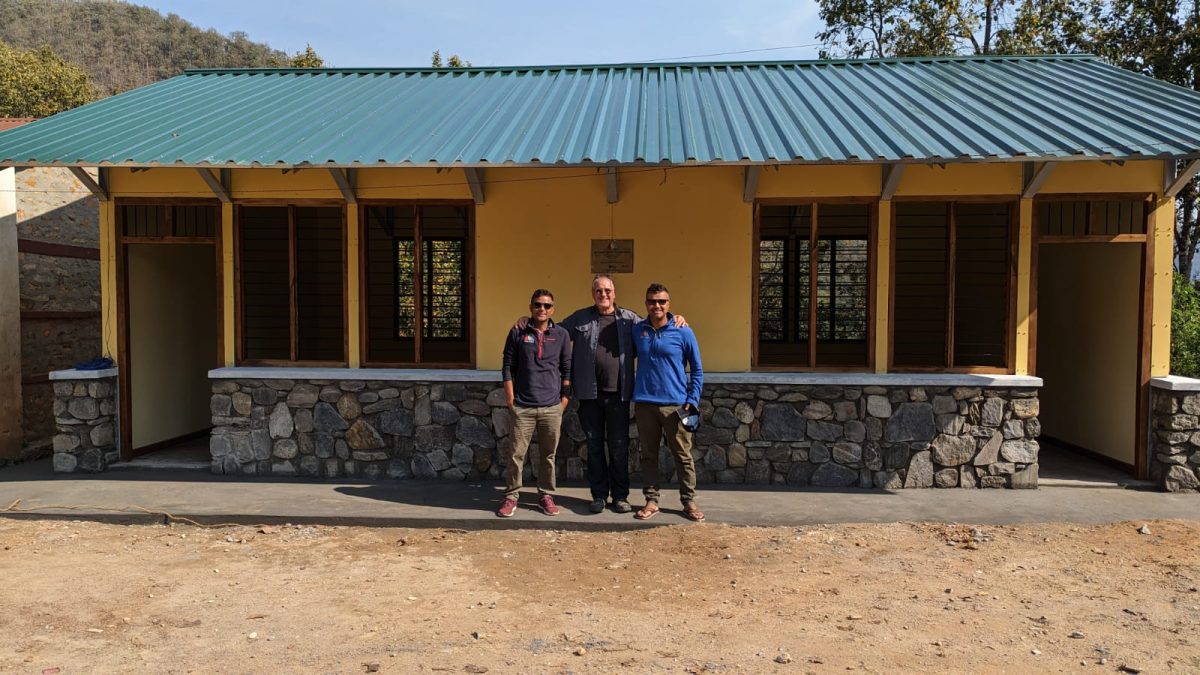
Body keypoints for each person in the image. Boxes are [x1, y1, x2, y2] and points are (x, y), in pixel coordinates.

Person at [557, 275, 687, 514]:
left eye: (607, 290)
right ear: (592, 293)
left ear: (614, 293)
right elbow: (554, 333)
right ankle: (598, 495)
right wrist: (528, 321)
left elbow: (655, 326)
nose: (603, 294)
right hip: (589, 395)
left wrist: (675, 318)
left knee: (619, 447)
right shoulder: (580, 318)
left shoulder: (630, 320)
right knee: (595, 446)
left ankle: (619, 496)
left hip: (619, 395)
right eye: (598, 290)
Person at [631, 283, 705, 522]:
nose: (657, 306)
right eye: (652, 301)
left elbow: (697, 369)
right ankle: (652, 500)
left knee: (682, 455)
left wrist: (692, 400)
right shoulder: (638, 330)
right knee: (648, 455)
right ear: (646, 304)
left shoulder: (683, 331)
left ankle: (688, 501)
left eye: (662, 301)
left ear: (669, 304)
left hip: (676, 406)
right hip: (645, 403)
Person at [497, 289, 571, 518]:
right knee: (516, 454)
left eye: (547, 306)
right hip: (523, 406)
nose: (542, 309)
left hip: (551, 407)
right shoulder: (519, 332)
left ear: (553, 309)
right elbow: (508, 365)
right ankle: (511, 496)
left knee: (548, 455)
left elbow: (566, 368)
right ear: (531, 307)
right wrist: (510, 398)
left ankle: (545, 495)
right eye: (538, 305)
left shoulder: (561, 335)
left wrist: (564, 400)